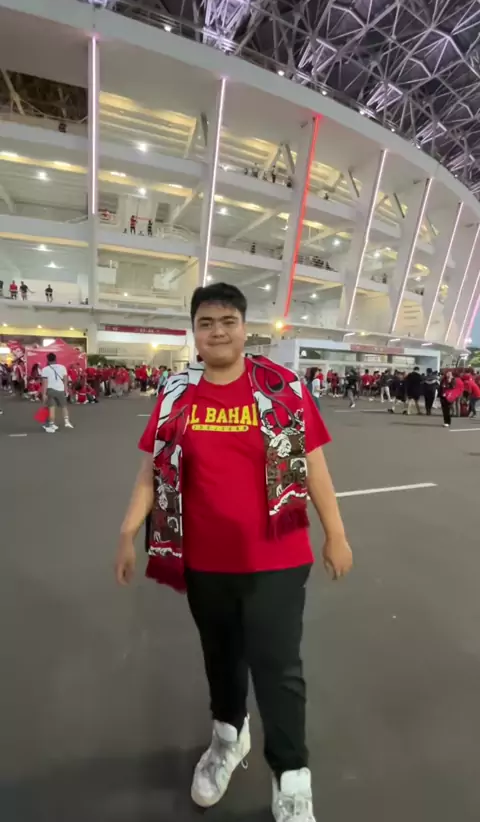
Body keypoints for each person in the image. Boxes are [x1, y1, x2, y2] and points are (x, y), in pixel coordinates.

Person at [115, 282, 353, 822]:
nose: (217, 331)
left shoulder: (282, 388)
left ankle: (291, 776)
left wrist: (335, 533)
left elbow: (314, 465)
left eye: (228, 321)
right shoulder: (176, 393)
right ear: (194, 333)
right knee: (221, 659)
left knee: (278, 669)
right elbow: (152, 471)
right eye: (206, 323)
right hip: (203, 560)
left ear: (245, 329)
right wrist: (128, 531)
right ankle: (229, 737)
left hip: (278, 558)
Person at [41, 352, 74, 433]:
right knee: (64, 406)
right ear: (56, 359)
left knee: (51, 407)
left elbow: (45, 382)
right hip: (60, 389)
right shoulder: (62, 367)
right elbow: (65, 379)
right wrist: (65, 389)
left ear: (48, 360)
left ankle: (51, 424)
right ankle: (67, 422)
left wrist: (44, 394)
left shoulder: (45, 369)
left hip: (50, 390)